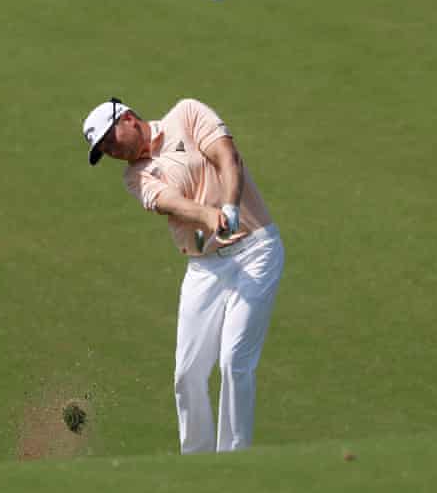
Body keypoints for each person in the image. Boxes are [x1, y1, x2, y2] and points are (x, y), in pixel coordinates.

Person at [81, 97, 285, 454]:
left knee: (234, 360)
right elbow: (169, 203)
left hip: (256, 251)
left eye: (109, 140)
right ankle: (197, 462)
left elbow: (227, 156)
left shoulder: (186, 113)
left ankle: (234, 460)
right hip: (205, 267)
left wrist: (231, 207)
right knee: (187, 373)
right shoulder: (136, 176)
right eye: (103, 150)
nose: (110, 151)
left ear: (127, 118)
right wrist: (209, 217)